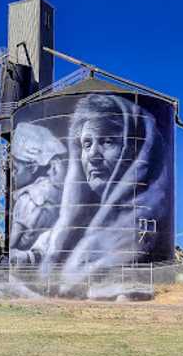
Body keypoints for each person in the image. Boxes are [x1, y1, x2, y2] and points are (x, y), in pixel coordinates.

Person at [40, 94, 170, 295]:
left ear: (134, 149)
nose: (92, 155)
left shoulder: (143, 218)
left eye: (108, 141)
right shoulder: (69, 229)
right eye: (86, 144)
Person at [8, 122, 67, 263]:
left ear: (34, 167)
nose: (12, 175)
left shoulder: (30, 199)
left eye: (15, 169)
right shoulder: (60, 190)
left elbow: (10, 246)